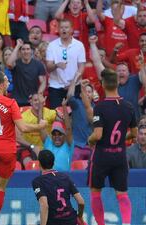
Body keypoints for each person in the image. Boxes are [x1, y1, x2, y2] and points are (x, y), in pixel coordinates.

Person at [0, 72, 47, 225]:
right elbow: (23, 128)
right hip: (7, 149)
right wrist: (40, 125)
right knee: (1, 187)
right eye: (6, 81)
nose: (8, 83)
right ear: (1, 85)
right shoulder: (10, 103)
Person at [88, 35, 138, 225]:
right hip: (119, 156)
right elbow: (134, 134)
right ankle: (126, 223)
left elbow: (98, 134)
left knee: (95, 193)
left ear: (102, 85)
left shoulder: (100, 107)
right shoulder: (128, 107)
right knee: (122, 194)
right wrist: (118, 139)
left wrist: (91, 140)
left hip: (102, 156)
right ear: (117, 84)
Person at [32, 150, 85, 225]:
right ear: (53, 163)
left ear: (39, 164)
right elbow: (81, 202)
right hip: (71, 221)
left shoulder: (38, 181)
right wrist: (80, 217)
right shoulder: (65, 177)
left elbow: (44, 205)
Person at [46, 19, 86, 109]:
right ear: (58, 29)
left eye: (66, 27)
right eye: (61, 27)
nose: (64, 30)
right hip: (56, 87)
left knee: (75, 115)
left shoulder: (79, 45)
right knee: (57, 117)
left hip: (74, 86)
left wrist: (73, 82)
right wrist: (56, 65)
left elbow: (81, 66)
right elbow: (48, 67)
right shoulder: (52, 46)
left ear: (71, 29)